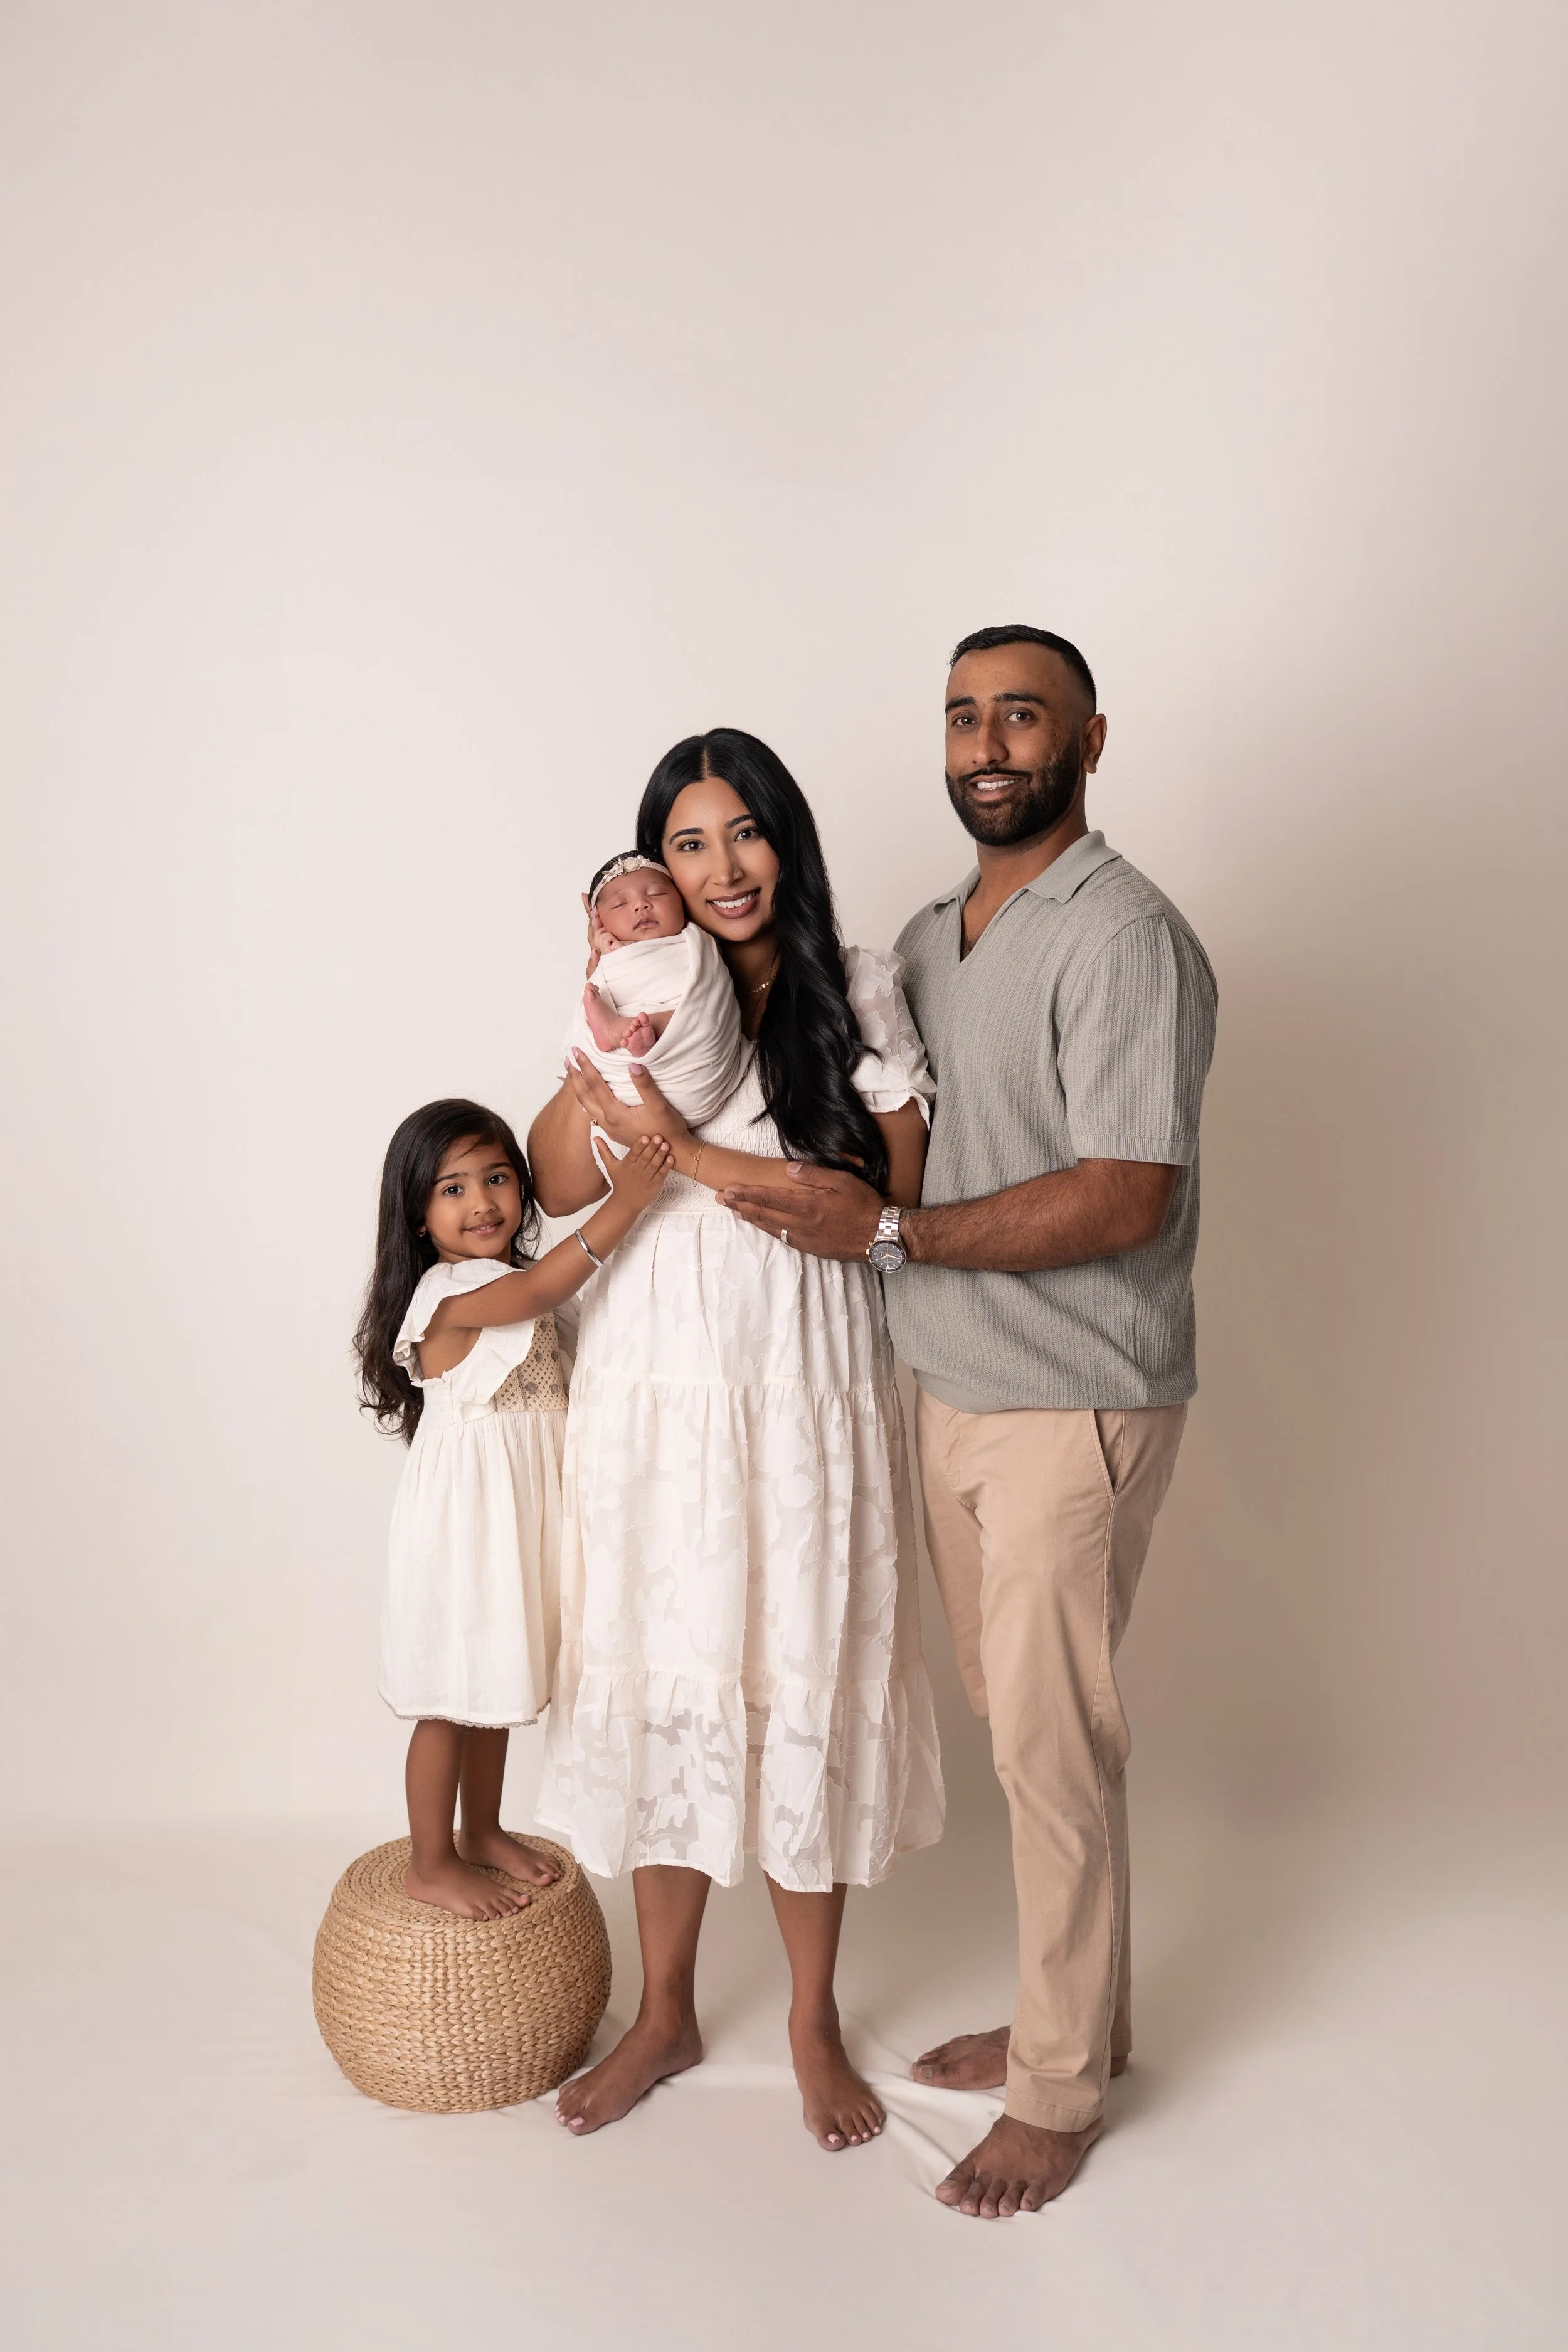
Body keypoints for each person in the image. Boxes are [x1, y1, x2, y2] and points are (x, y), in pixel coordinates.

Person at [722, 627, 1217, 2216]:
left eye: (1023, 714)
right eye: (964, 715)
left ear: (1087, 737)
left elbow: (1127, 1190)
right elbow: (877, 1111)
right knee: (1026, 1737)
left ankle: (1059, 2089)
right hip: (946, 1387)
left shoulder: (1125, 932)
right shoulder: (931, 937)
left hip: (1068, 1398)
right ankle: (1084, 2020)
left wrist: (888, 1238)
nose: (989, 741)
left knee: (1053, 1745)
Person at [527, 728, 945, 2153]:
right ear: (650, 869)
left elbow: (889, 1198)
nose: (720, 868)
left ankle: (812, 2015)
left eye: (745, 832)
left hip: (800, 1367)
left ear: (789, 839)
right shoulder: (642, 986)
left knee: (797, 1660)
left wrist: (695, 1154)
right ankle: (664, 2007)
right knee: (670, 1663)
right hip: (656, 1365)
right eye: (687, 843)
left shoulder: (858, 981)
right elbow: (553, 1171)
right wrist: (598, 1056)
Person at [353, 1096, 672, 1919]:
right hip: (465, 1530)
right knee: (447, 1701)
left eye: (496, 1177)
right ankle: (431, 1858)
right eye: (453, 1189)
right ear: (418, 1217)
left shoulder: (506, 1283)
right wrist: (626, 1202)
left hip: (514, 1528)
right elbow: (540, 1288)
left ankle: (483, 1829)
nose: (483, 1201)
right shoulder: (447, 1293)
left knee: (488, 1689)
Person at [566, 850, 745, 1118]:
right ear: (597, 920)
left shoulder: (698, 942)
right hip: (627, 1085)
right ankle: (621, 1031)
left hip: (700, 1071)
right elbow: (608, 984)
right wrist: (609, 958)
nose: (641, 905)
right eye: (619, 904)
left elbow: (714, 997)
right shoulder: (609, 956)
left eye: (657, 894)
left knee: (703, 1016)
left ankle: (622, 1030)